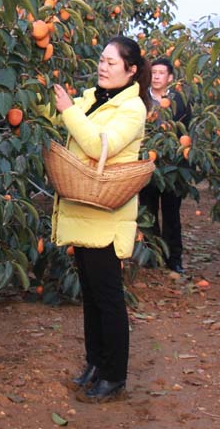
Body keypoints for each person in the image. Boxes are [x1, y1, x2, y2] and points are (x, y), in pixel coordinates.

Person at [45, 36, 151, 403]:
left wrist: (67, 110)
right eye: (101, 60)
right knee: (90, 295)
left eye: (111, 62)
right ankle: (95, 362)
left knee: (108, 298)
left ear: (131, 70)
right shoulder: (94, 97)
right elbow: (62, 115)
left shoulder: (132, 108)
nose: (103, 67)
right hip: (82, 210)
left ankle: (114, 375)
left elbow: (98, 146)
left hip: (106, 216)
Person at [139, 57, 192, 274]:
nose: (157, 76)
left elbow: (185, 131)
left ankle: (174, 259)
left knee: (172, 214)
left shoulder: (179, 100)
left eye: (161, 73)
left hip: (172, 166)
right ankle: (152, 256)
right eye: (154, 72)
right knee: (148, 211)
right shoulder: (141, 99)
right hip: (147, 163)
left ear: (170, 77)